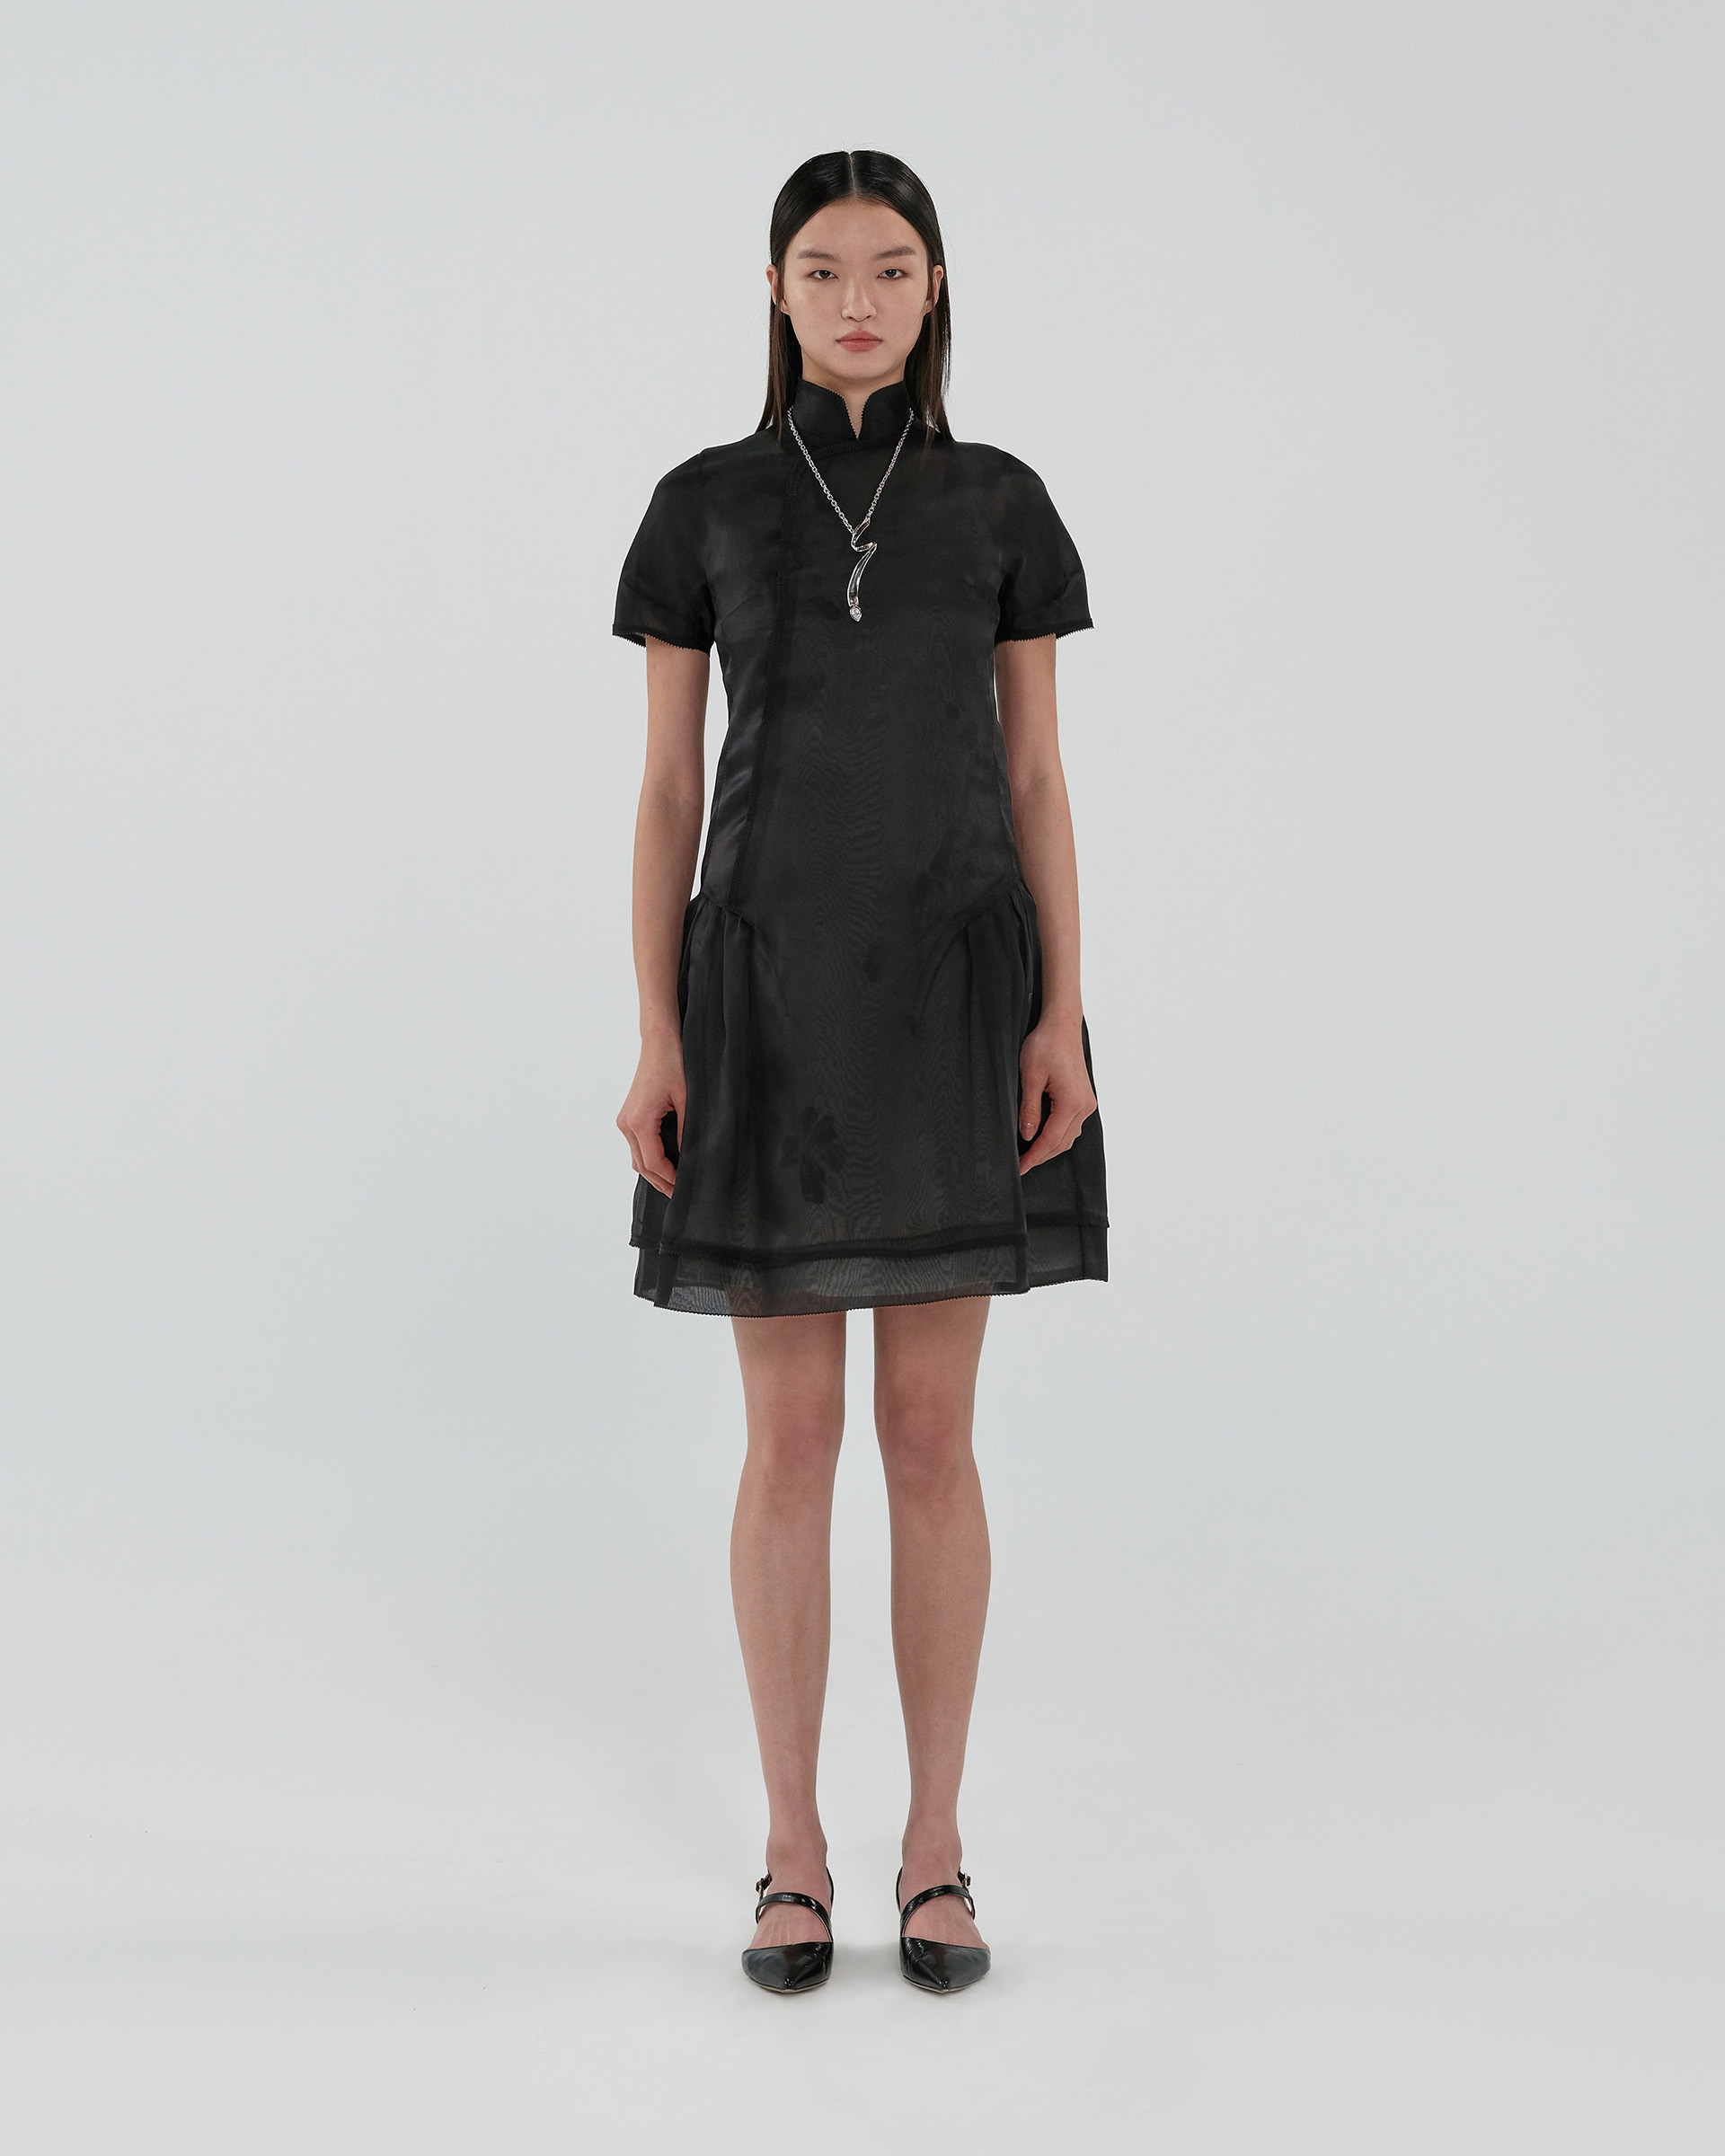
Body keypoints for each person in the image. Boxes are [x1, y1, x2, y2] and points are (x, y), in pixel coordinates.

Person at [613, 149, 1108, 1996]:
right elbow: (669, 788)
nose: (857, 300)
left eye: (891, 267)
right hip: (762, 996)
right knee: (792, 1440)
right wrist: (658, 1031)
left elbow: (1037, 773)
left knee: (928, 1438)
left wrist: (1062, 1016)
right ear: (774, 291)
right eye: (822, 269)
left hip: (956, 989)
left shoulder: (1000, 504)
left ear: (936, 286)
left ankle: (936, 1850)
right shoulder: (703, 505)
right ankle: (792, 1853)